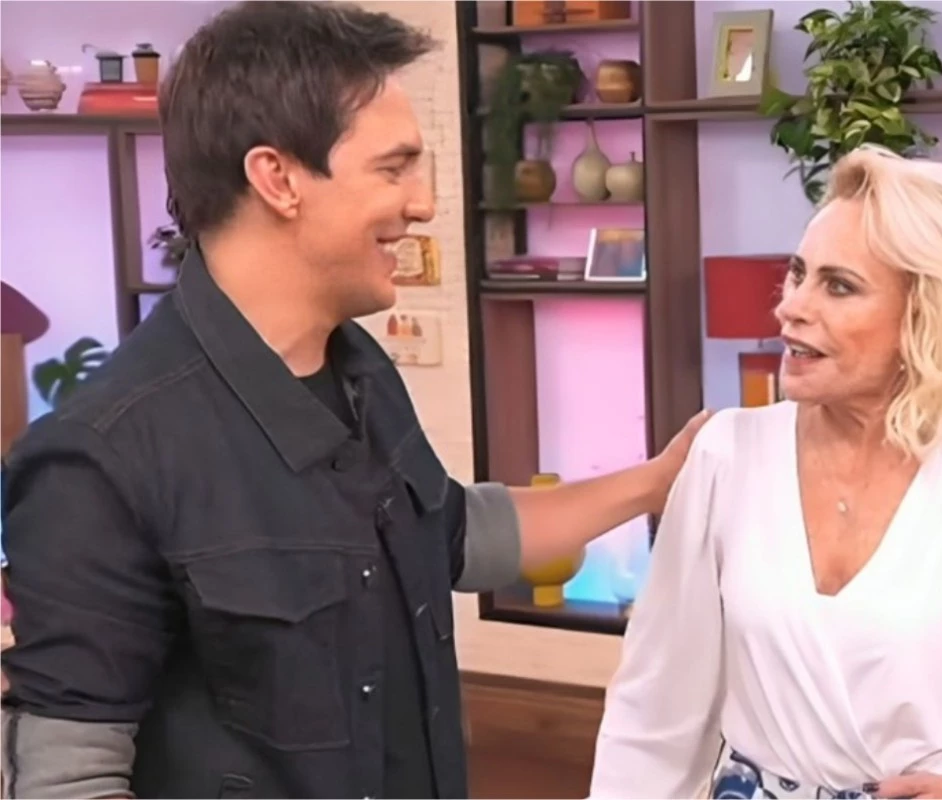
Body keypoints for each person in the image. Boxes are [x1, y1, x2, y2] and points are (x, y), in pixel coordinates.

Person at [0, 3, 708, 798]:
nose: (423, 203)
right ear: (278, 179)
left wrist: (658, 481)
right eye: (393, 168)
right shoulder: (101, 458)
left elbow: (449, 534)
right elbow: (68, 780)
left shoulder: (362, 371)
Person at [589, 146, 942, 800]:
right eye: (798, 274)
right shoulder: (725, 454)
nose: (791, 307)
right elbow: (654, 711)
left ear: (926, 317)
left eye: (838, 286)